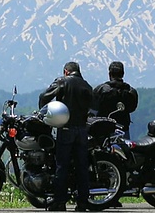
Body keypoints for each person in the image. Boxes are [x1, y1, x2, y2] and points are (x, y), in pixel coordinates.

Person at [39, 61, 93, 212]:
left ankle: (60, 201)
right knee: (82, 166)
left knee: (62, 166)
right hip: (82, 129)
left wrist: (44, 112)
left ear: (66, 72)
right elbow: (94, 105)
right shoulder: (86, 85)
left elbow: (44, 96)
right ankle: (82, 202)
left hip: (66, 128)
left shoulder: (63, 81)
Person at [91, 61, 138, 140]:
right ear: (123, 74)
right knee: (125, 149)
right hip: (123, 128)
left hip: (103, 129)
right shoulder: (131, 91)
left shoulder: (100, 90)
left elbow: (92, 108)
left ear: (109, 74)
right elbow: (132, 108)